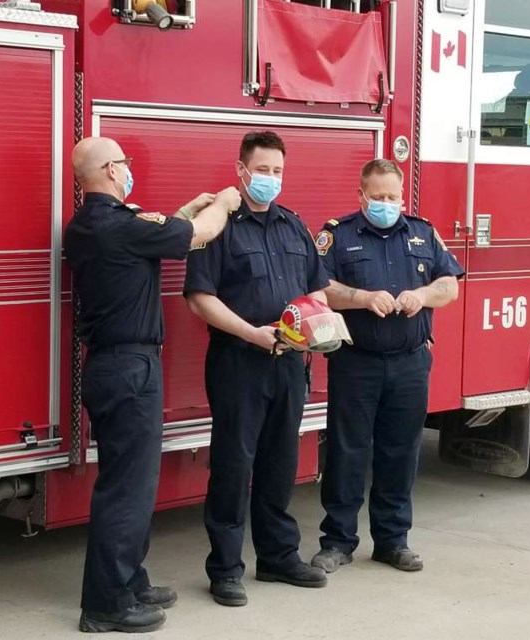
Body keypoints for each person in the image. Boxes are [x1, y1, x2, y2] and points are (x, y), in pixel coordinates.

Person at [64, 136, 240, 633]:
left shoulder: (88, 226)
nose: (129, 170)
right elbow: (197, 234)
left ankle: (131, 582)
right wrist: (224, 204)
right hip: (129, 368)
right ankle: (106, 605)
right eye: (125, 164)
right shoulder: (119, 227)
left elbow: (156, 231)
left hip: (111, 366)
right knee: (127, 490)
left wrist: (184, 210)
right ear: (111, 171)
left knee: (134, 486)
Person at [183, 131, 330, 607]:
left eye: (278, 171)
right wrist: (251, 333)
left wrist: (317, 328)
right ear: (241, 170)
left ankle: (277, 557)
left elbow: (317, 290)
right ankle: (225, 569)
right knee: (233, 465)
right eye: (262, 169)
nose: (270, 179)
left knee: (280, 462)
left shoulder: (293, 226)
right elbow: (200, 298)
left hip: (289, 364)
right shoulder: (218, 226)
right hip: (238, 363)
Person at [309, 158, 464, 574]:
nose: (385, 204)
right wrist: (362, 298)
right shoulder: (336, 236)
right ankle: (337, 542)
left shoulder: (422, 232)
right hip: (356, 363)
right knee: (347, 452)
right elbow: (319, 288)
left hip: (410, 364)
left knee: (401, 453)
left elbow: (450, 284)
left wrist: (424, 295)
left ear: (402, 195)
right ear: (361, 196)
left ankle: (393, 542)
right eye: (377, 197)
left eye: (392, 197)